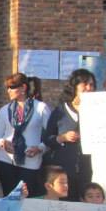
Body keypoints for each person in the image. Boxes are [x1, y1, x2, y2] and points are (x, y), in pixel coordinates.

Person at [0, 72, 51, 197]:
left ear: (23, 87)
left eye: (12, 87)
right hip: (5, 161)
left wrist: (39, 148)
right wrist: (2, 143)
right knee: (9, 199)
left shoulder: (41, 108)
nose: (8, 91)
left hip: (31, 162)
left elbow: (51, 136)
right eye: (7, 87)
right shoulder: (5, 110)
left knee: (26, 200)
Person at [43, 69, 96, 202]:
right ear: (75, 87)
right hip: (65, 169)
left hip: (87, 168)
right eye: (85, 84)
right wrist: (63, 137)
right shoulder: (60, 111)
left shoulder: (97, 111)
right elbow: (47, 138)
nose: (89, 88)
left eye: (91, 85)